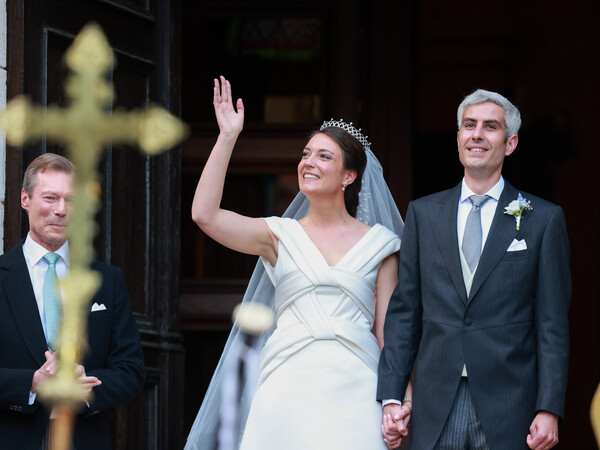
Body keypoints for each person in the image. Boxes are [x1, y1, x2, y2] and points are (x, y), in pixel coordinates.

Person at [185, 76, 409, 450]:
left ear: (349, 176)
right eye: (306, 154)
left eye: (324, 156)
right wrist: (227, 137)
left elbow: (388, 334)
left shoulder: (381, 245)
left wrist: (401, 399)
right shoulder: (278, 235)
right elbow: (204, 215)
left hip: (357, 389)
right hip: (286, 386)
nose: (309, 162)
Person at [377, 89, 571, 450]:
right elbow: (405, 313)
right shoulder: (423, 213)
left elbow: (552, 323)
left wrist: (549, 407)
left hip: (511, 404)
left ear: (510, 143)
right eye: (469, 125)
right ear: (458, 138)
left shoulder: (543, 219)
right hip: (435, 401)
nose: (477, 134)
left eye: (490, 126)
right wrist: (391, 396)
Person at [0, 153, 146, 449]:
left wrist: (86, 383)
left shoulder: (107, 280)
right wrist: (30, 383)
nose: (61, 210)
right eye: (50, 198)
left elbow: (131, 370)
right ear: (25, 199)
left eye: (71, 200)